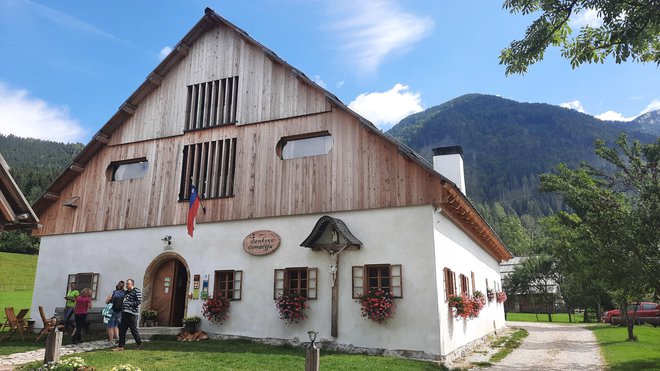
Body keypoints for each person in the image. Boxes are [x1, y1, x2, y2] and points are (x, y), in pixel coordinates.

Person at [114, 279, 143, 351]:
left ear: (132, 284)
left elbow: (139, 301)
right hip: (124, 312)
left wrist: (129, 304)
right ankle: (121, 346)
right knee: (122, 329)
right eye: (126, 284)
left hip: (132, 313)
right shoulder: (126, 292)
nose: (126, 286)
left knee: (133, 329)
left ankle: (139, 343)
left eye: (128, 284)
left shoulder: (136, 291)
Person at [104, 281, 125, 345]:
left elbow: (106, 301)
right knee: (116, 325)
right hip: (119, 311)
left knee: (110, 326)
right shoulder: (124, 293)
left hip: (112, 311)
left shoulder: (114, 292)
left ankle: (111, 341)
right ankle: (118, 338)